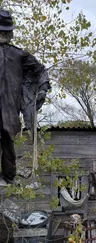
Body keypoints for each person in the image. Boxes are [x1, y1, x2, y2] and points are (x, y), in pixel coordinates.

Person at [0, 9, 50, 186]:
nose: (4, 35)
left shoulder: (19, 54)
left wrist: (43, 88)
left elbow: (41, 70)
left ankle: (9, 176)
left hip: (10, 107)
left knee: (7, 139)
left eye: (6, 31)